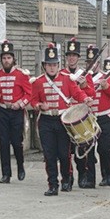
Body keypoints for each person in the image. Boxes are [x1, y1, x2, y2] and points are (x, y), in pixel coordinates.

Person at [31, 43, 92, 196]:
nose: (52, 68)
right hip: (46, 120)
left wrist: (85, 99)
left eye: (54, 65)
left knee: (64, 153)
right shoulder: (38, 82)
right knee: (49, 154)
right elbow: (32, 100)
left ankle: (66, 179)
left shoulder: (67, 79)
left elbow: (78, 93)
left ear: (58, 65)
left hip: (62, 120)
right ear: (44, 66)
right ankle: (52, 184)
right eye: (49, 65)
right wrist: (39, 105)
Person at [0, 40, 32, 184]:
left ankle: (20, 165)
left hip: (16, 111)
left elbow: (29, 94)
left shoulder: (22, 75)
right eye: (4, 58)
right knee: (4, 142)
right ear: (1, 59)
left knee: (16, 142)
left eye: (9, 58)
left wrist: (20, 104)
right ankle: (6, 174)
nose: (6, 61)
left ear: (13, 59)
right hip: (2, 110)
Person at [60, 38, 95, 188]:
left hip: (79, 115)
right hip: (66, 115)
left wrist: (85, 85)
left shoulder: (85, 74)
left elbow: (92, 93)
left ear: (78, 57)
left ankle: (83, 174)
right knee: (65, 150)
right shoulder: (61, 73)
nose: (71, 58)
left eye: (74, 55)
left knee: (81, 148)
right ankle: (68, 177)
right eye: (69, 55)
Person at [90, 57, 110, 186]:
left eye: (93, 62)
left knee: (105, 148)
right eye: (89, 62)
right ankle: (89, 177)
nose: (91, 65)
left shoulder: (107, 76)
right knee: (88, 150)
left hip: (104, 117)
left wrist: (107, 86)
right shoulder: (82, 77)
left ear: (98, 64)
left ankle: (107, 174)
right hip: (88, 118)